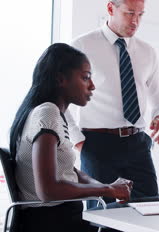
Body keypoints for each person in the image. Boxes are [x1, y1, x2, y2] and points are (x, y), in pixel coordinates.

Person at [9, 43, 132, 232]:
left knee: (143, 210)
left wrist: (108, 187)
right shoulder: (47, 112)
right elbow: (48, 190)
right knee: (133, 221)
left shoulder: (49, 113)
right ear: (61, 79)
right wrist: (106, 190)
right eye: (85, 77)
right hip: (55, 223)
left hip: (61, 220)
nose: (92, 86)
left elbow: (72, 171)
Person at [67, 0, 159, 207]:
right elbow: (60, 100)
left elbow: (157, 94)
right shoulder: (81, 46)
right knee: (104, 217)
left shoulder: (147, 52)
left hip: (138, 144)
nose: (135, 21)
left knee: (149, 211)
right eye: (129, 13)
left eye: (141, 14)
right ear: (111, 9)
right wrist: (79, 142)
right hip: (97, 144)